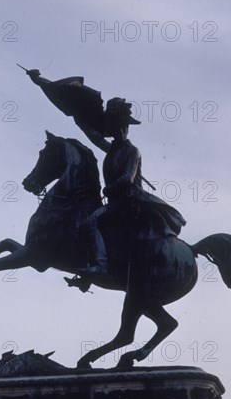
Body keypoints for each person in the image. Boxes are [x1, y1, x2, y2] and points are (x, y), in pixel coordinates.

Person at [77, 98, 186, 280]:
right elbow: (93, 136)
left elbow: (128, 178)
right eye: (117, 125)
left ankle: (100, 266)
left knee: (91, 223)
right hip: (116, 200)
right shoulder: (112, 149)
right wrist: (78, 117)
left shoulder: (132, 151)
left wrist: (111, 187)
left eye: (123, 126)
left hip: (127, 200)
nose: (120, 129)